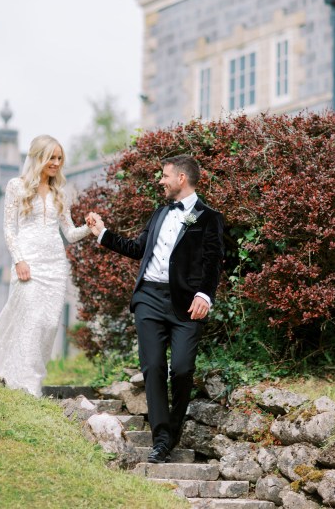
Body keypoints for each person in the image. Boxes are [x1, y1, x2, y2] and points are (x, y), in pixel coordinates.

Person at [88, 154, 224, 463]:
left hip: (186, 304)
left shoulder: (209, 217)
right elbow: (138, 249)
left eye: (164, 175)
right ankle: (161, 440)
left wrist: (205, 294)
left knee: (183, 368)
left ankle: (171, 432)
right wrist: (103, 234)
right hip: (148, 298)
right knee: (152, 367)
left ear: (181, 179)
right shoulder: (159, 214)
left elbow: (214, 261)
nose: (160, 180)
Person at [0, 135, 91, 397]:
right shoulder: (16, 186)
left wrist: (90, 228)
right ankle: (29, 384)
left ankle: (31, 374)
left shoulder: (59, 192)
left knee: (49, 324)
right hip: (27, 263)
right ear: (38, 157)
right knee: (32, 320)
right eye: (51, 157)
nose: (56, 162)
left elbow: (70, 233)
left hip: (55, 266)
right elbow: (9, 229)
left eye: (60, 158)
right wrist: (19, 260)